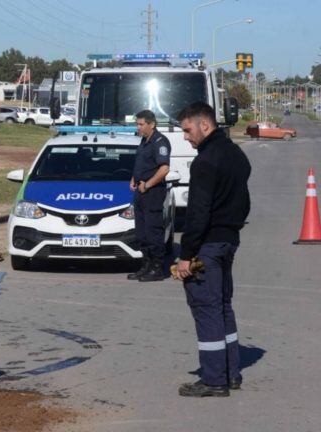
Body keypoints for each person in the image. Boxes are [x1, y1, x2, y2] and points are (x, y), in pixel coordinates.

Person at [176, 102, 251, 397]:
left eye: (187, 130)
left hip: (207, 245)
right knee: (222, 307)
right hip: (229, 239)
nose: (185, 137)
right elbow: (243, 200)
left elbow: (198, 213)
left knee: (206, 310)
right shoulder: (235, 154)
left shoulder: (205, 161)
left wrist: (185, 255)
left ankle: (214, 379)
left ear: (204, 125)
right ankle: (231, 373)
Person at [128, 109, 171, 282]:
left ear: (151, 124)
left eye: (141, 124)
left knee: (153, 231)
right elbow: (141, 164)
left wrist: (148, 184)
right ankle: (146, 265)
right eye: (137, 124)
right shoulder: (144, 141)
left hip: (152, 192)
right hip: (140, 191)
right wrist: (134, 179)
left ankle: (157, 268)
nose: (138, 127)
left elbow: (164, 169)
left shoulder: (159, 142)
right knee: (141, 233)